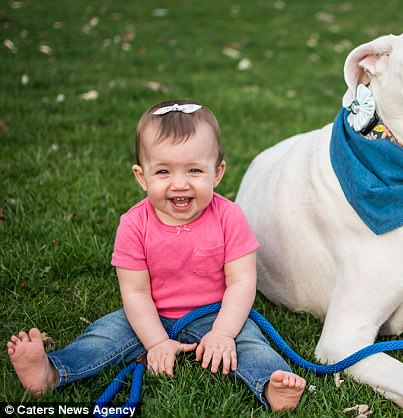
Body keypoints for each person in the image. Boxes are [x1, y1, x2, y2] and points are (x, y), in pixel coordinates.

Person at [7, 99, 306, 411]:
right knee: (103, 337)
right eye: (163, 171)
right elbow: (135, 292)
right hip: (149, 311)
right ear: (141, 176)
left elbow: (242, 282)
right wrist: (156, 342)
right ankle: (52, 370)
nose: (179, 184)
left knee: (248, 342)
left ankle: (273, 383)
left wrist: (222, 332)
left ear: (217, 173)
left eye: (194, 170)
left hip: (216, 312)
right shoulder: (134, 224)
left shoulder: (230, 217)